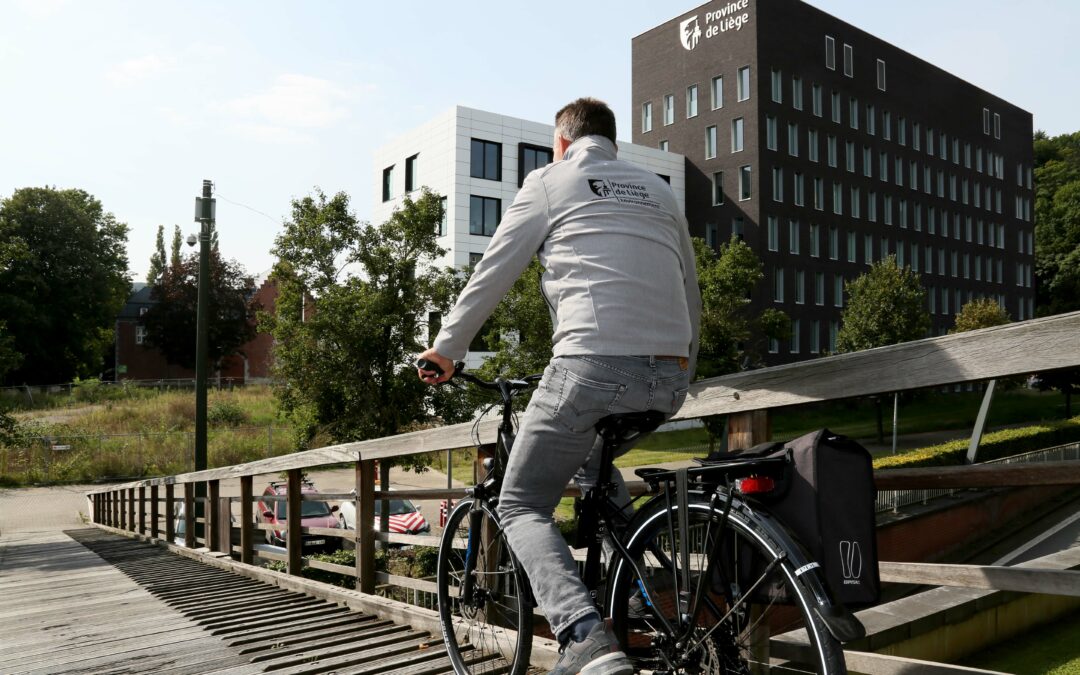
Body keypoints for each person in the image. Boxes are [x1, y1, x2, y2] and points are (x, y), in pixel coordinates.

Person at [418, 97, 700, 675]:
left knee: (520, 503)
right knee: (594, 463)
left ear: (564, 143)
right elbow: (691, 292)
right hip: (669, 377)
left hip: (591, 368)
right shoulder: (659, 190)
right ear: (613, 145)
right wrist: (683, 370)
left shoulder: (550, 180)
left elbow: (493, 269)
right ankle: (651, 601)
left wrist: (446, 350)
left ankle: (583, 636)